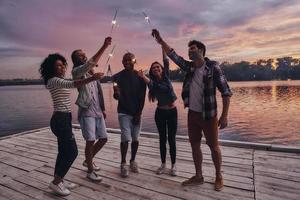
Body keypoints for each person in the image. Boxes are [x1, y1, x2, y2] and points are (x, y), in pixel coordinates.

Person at [151, 29, 232, 191]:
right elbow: (173, 55)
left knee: (213, 146)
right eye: (189, 49)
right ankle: (198, 176)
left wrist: (224, 116)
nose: (189, 51)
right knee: (195, 145)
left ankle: (218, 176)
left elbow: (226, 92)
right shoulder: (190, 68)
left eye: (192, 48)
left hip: (209, 115)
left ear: (201, 50)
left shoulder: (213, 67)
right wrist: (160, 41)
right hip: (192, 114)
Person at [39, 53, 103, 196]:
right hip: (60, 119)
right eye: (58, 66)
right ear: (51, 68)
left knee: (63, 151)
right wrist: (92, 78)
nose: (61, 68)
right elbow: (72, 84)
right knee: (72, 152)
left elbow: (70, 81)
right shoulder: (53, 80)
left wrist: (90, 75)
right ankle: (55, 183)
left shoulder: (58, 79)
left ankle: (59, 179)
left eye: (62, 65)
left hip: (64, 118)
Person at [71, 37, 112, 182]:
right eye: (80, 56)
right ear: (76, 60)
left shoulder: (91, 73)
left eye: (84, 54)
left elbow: (99, 92)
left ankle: (88, 160)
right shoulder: (76, 72)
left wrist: (103, 108)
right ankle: (90, 171)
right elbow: (90, 63)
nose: (84, 56)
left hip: (98, 111)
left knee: (104, 138)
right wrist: (104, 45)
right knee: (90, 140)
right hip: (86, 111)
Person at [137, 47, 178, 176]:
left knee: (171, 139)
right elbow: (151, 85)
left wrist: (162, 46)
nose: (156, 69)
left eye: (157, 67)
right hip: (160, 113)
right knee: (162, 139)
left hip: (172, 112)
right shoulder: (151, 83)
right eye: (153, 68)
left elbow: (165, 60)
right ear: (152, 72)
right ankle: (163, 164)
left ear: (161, 69)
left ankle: (173, 166)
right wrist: (142, 76)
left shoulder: (166, 77)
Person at [112, 52, 146, 178]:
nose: (126, 62)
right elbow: (117, 95)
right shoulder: (117, 77)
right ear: (122, 62)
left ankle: (132, 161)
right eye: (124, 60)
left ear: (134, 61)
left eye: (129, 60)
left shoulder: (140, 77)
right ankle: (123, 163)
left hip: (136, 112)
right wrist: (116, 95)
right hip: (123, 112)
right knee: (126, 139)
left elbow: (142, 98)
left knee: (136, 139)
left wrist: (138, 113)